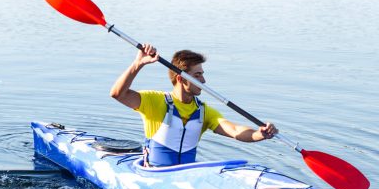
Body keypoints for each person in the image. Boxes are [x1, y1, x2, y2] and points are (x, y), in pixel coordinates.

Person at [110, 44, 277, 167]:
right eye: (198, 76)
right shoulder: (154, 101)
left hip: (186, 176)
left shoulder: (203, 111)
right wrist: (138, 64)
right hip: (154, 174)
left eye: (202, 75)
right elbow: (118, 94)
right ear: (181, 79)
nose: (204, 81)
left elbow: (234, 131)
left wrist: (259, 134)